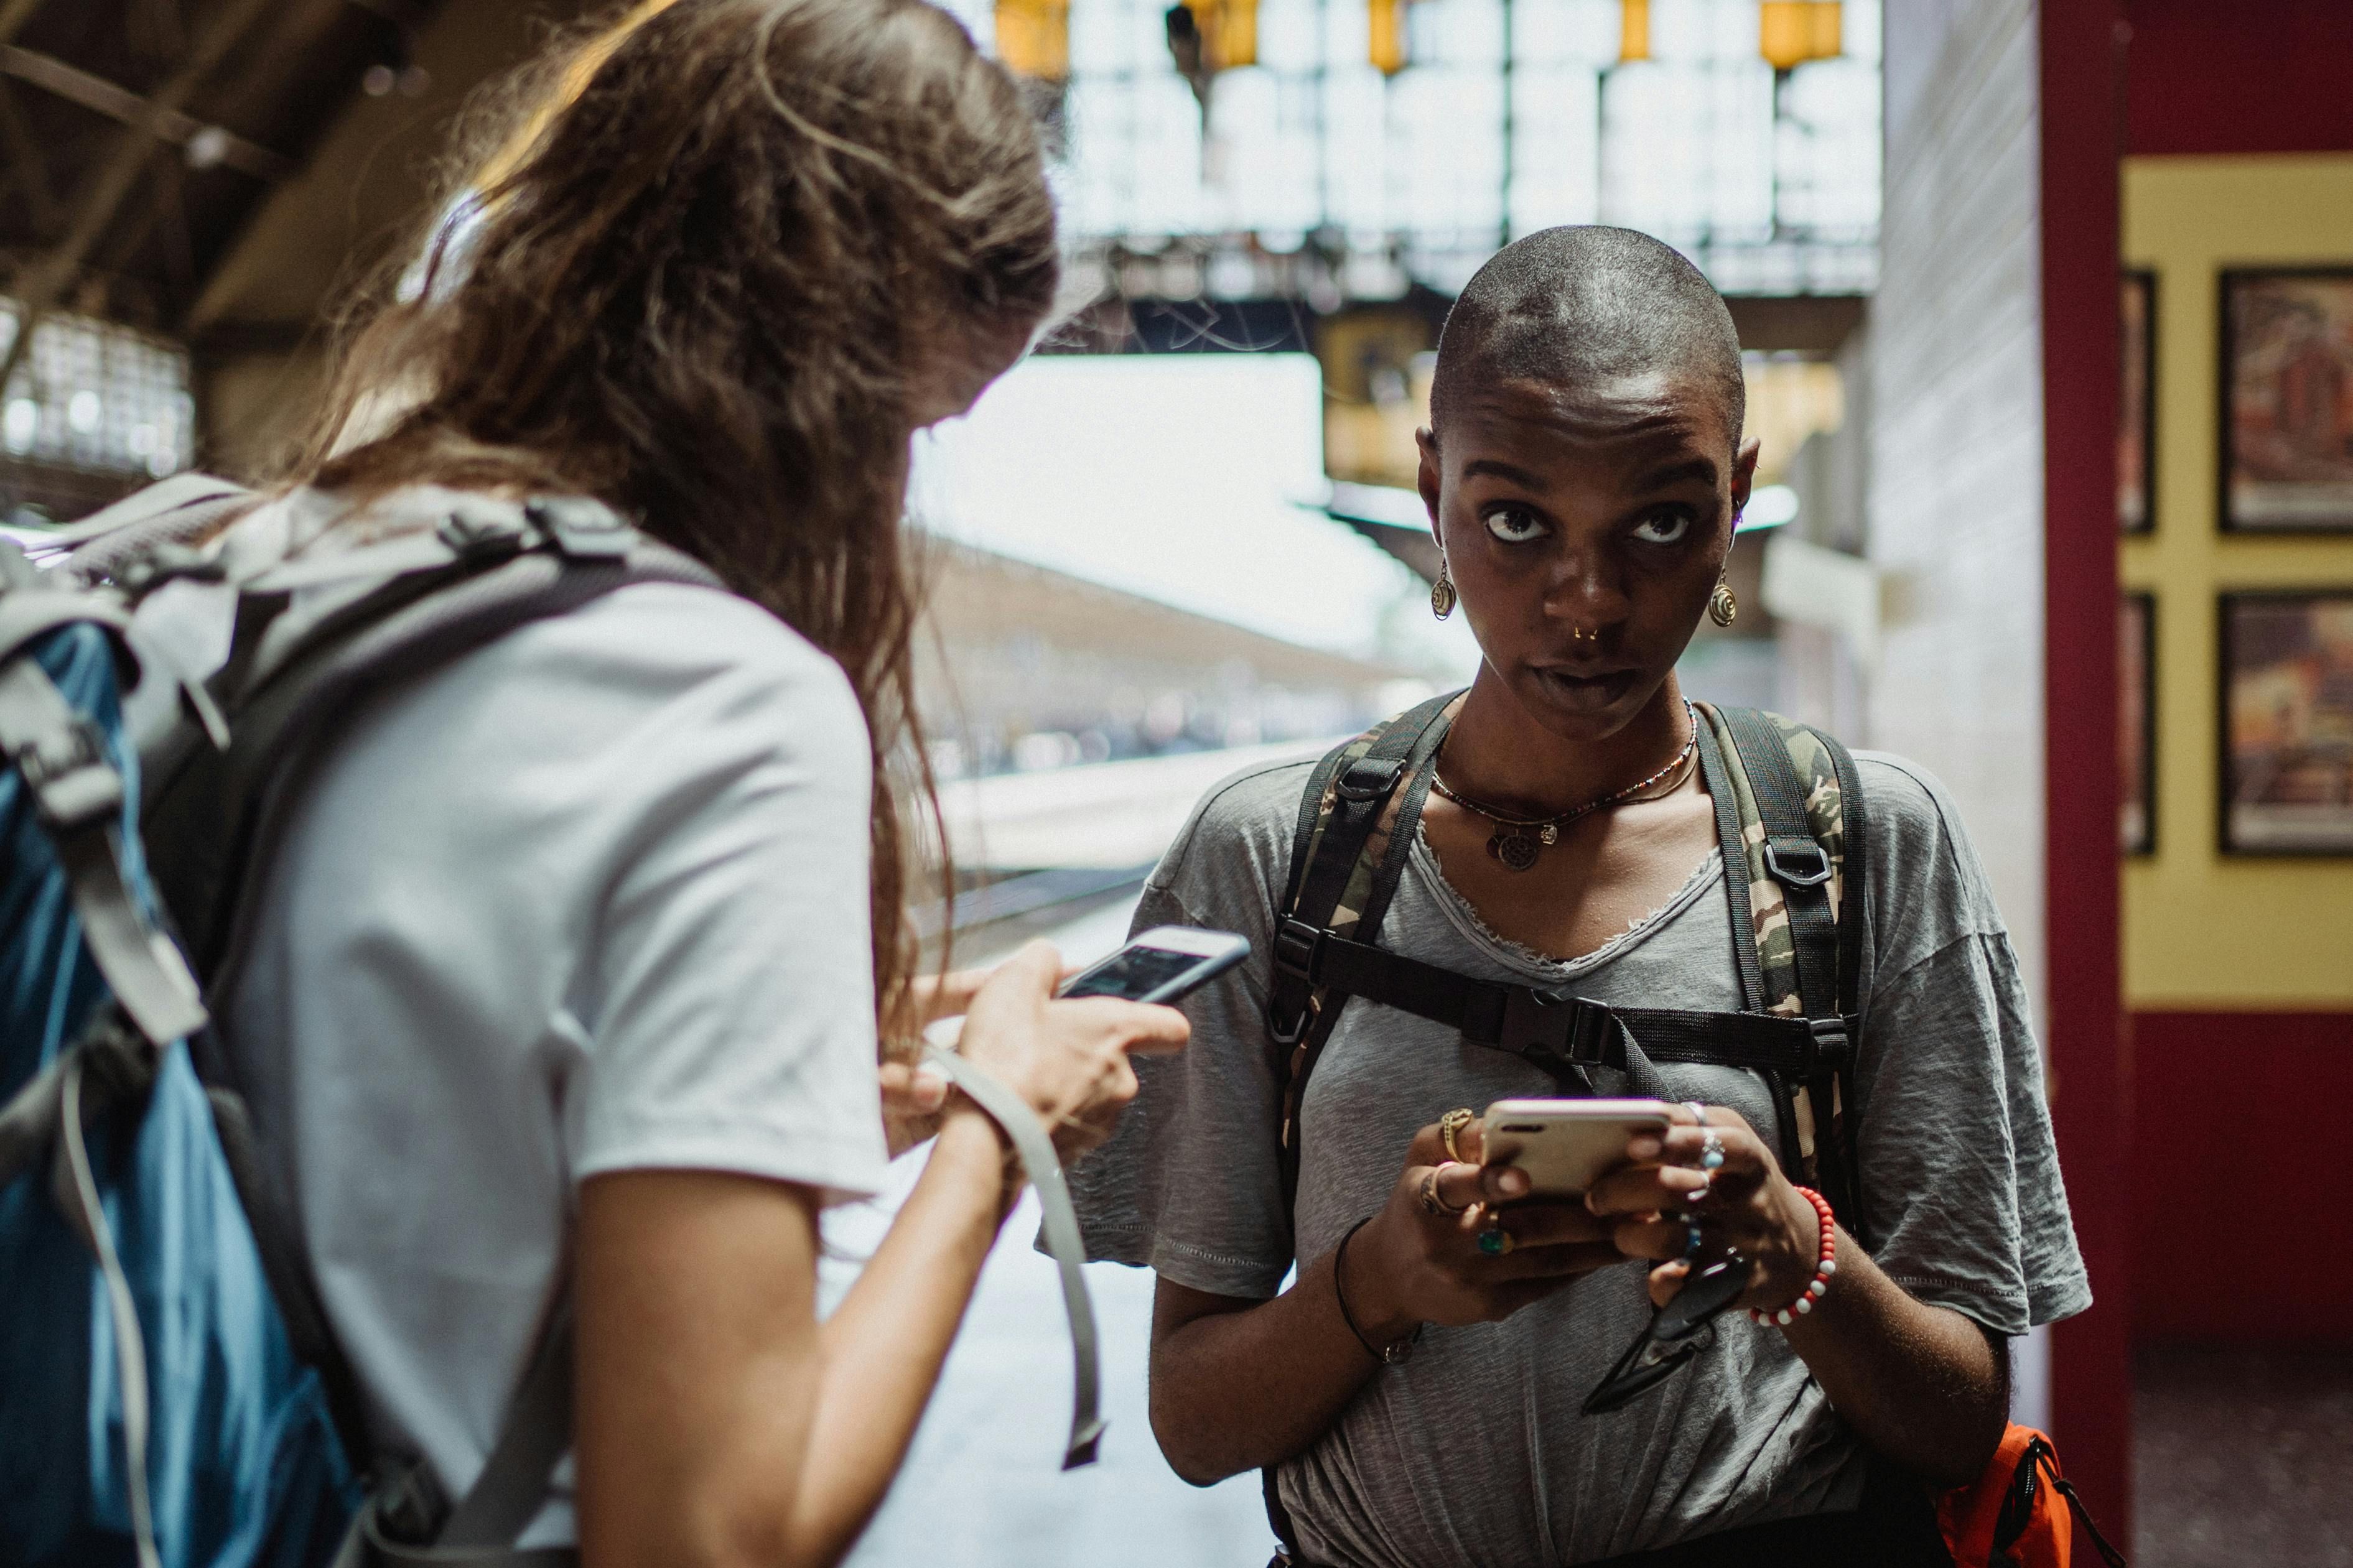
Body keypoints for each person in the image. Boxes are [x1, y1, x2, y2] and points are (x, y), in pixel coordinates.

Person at [147, 2, 1188, 1564]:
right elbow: (710, 1533)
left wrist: (792, 1076)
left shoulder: (263, 569)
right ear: (819, 387)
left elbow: (382, 1111)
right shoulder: (724, 706)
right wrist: (997, 1122)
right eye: (899, 428)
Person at [1071, 226, 2089, 1567]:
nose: (1589, 601)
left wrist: (1792, 1245)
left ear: (1733, 500)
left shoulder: (1864, 847)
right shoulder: (1273, 858)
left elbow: (1962, 1420)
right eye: (1514, 520)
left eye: (1659, 523)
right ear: (1431, 489)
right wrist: (1383, 1280)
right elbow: (1195, 1422)